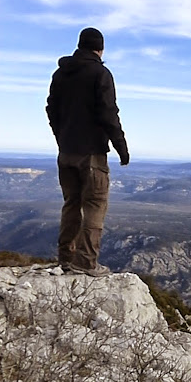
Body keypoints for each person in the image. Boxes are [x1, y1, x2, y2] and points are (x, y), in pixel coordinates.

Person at [46, 27, 129, 276]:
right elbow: (108, 113)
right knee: (94, 205)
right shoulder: (100, 73)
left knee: (71, 203)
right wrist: (121, 147)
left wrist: (61, 137)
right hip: (91, 153)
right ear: (100, 49)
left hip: (66, 152)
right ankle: (85, 263)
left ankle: (65, 258)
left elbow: (51, 109)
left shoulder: (60, 74)